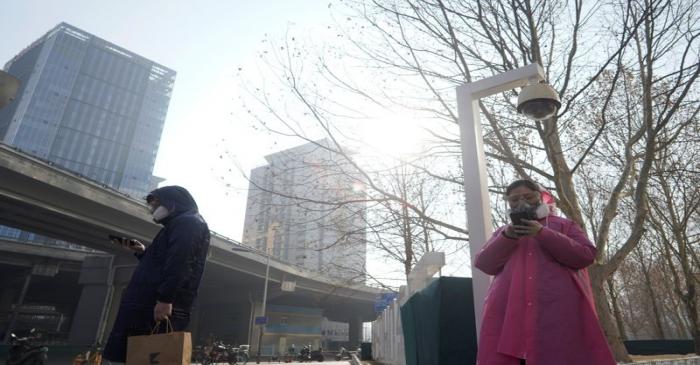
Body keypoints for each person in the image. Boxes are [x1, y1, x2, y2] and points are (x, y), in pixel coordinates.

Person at [474, 179, 616, 365]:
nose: (521, 203)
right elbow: (484, 263)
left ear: (540, 197)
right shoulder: (503, 232)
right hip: (509, 314)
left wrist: (543, 233)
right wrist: (507, 237)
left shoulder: (564, 225)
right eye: (514, 199)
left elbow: (586, 255)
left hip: (556, 312)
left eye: (528, 197)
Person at [103, 185, 210, 363]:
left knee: (144, 355)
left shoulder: (188, 223)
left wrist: (165, 299)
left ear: (172, 202)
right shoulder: (178, 224)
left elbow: (181, 262)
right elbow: (163, 263)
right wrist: (142, 251)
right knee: (134, 356)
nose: (153, 209)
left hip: (155, 305)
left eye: (156, 204)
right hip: (149, 302)